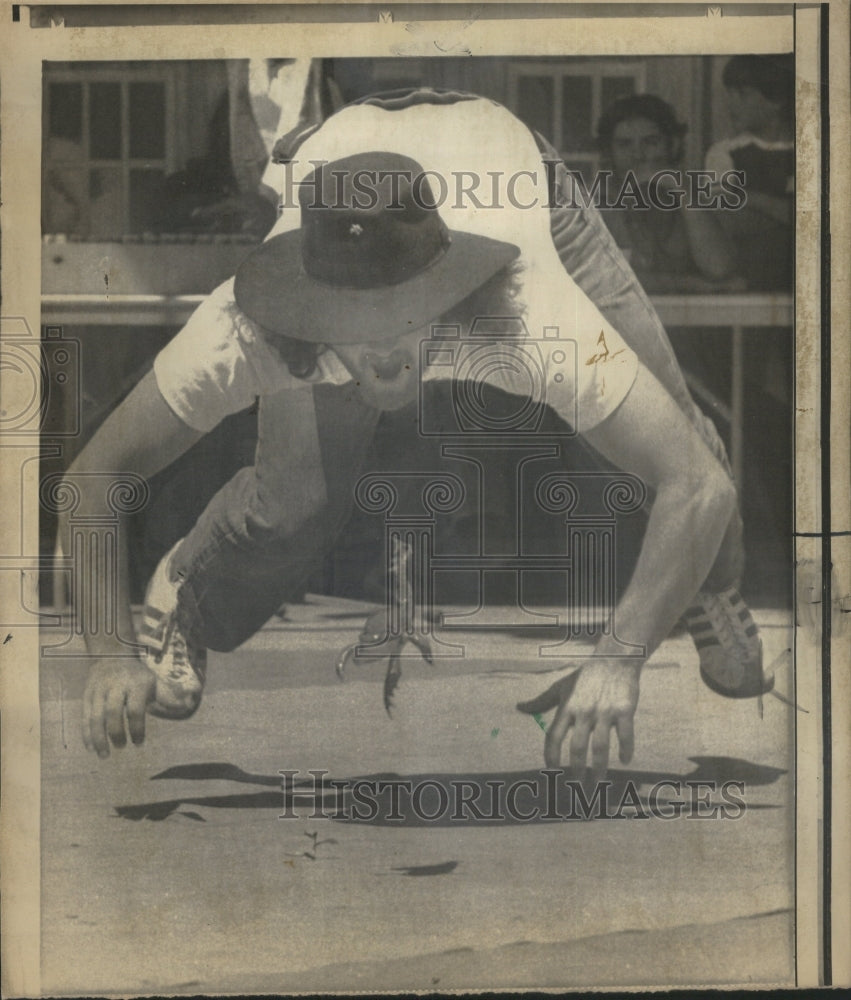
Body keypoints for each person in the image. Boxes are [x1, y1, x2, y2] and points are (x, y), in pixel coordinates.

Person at [65, 90, 771, 779]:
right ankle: (191, 582)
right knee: (297, 502)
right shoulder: (249, 327)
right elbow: (91, 479)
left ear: (451, 289)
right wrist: (105, 653)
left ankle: (707, 585)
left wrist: (619, 658)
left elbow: (696, 486)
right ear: (304, 306)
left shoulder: (525, 313)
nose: (381, 350)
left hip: (522, 181)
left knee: (677, 449)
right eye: (347, 319)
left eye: (403, 310)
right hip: (342, 174)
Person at [595, 93, 740, 293]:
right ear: (609, 152)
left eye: (651, 142)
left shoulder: (698, 195)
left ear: (673, 145)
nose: (638, 155)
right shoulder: (597, 202)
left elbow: (719, 268)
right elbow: (610, 279)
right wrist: (695, 285)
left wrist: (682, 192)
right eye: (624, 145)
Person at [705, 55, 794, 291]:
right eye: (729, 93)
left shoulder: (809, 152)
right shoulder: (723, 153)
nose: (731, 104)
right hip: (746, 280)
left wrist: (749, 198)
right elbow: (726, 224)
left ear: (777, 100)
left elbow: (817, 221)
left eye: (742, 94)